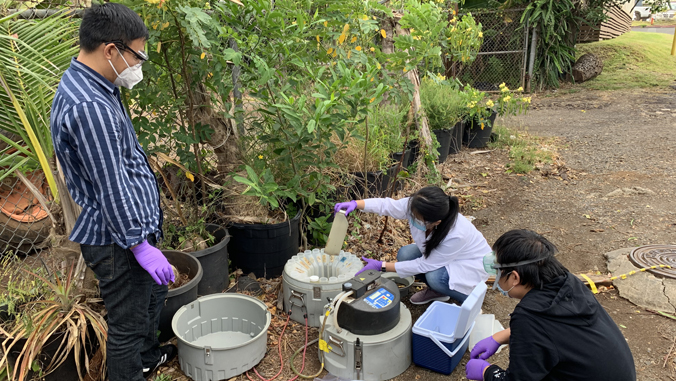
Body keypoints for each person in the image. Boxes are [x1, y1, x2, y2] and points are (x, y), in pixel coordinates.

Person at [50, 4, 176, 380]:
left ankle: (148, 358)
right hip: (117, 240)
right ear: (110, 50)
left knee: (150, 299)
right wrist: (139, 245)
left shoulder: (92, 84)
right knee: (128, 325)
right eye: (137, 55)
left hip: (129, 230)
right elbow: (112, 185)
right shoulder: (90, 106)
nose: (139, 64)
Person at [466, 229, 636, 381]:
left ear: (515, 278)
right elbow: (556, 332)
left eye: (497, 272)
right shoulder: (568, 282)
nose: (496, 277)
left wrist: (487, 372)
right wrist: (501, 336)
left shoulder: (529, 316)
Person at [334, 186, 491, 304]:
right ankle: (437, 291)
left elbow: (425, 265)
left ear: (436, 222)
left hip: (468, 264)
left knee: (434, 276)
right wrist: (356, 204)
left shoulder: (457, 234)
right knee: (405, 254)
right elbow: (386, 205)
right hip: (443, 258)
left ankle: (470, 299)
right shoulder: (416, 207)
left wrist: (380, 266)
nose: (413, 219)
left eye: (418, 219)